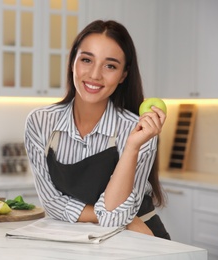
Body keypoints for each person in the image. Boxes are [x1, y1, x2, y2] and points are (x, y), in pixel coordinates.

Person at [24, 20, 170, 239]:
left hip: (140, 237)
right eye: (86, 60)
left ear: (123, 75)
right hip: (91, 234)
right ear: (72, 61)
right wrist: (126, 219)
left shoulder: (138, 131)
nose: (94, 75)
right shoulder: (40, 122)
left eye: (110, 65)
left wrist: (131, 147)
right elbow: (52, 204)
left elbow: (114, 218)